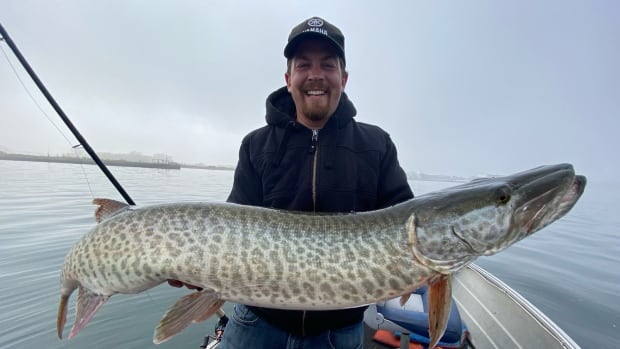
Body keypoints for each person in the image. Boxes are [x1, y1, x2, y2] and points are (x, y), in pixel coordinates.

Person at [172, 16, 413, 348]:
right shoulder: (255, 145)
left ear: (343, 78)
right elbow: (231, 230)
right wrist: (196, 267)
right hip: (256, 323)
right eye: (304, 65)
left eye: (327, 65)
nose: (315, 75)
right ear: (289, 79)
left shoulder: (377, 145)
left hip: (338, 332)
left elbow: (406, 227)